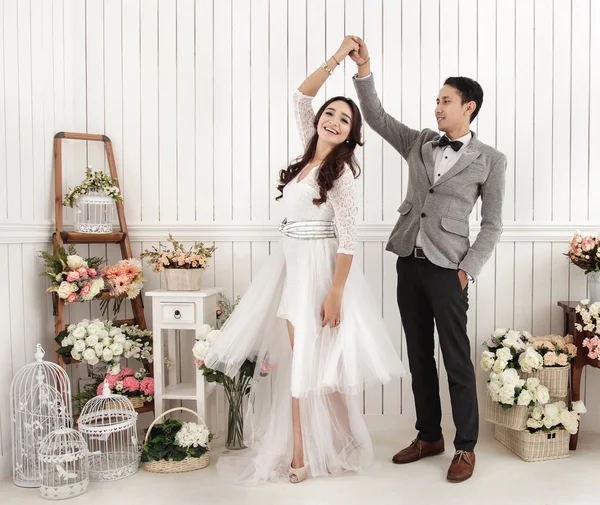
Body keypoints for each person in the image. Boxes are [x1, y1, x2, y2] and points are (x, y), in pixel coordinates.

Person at [204, 36, 405, 485]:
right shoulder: (307, 154)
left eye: (345, 119)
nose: (333, 121)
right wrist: (337, 58)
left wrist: (335, 293)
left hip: (318, 272)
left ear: (353, 134)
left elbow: (349, 240)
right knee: (305, 362)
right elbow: (300, 96)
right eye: (329, 114)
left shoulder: (342, 172)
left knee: (308, 363)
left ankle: (302, 454)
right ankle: (332, 443)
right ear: (318, 122)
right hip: (290, 265)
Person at [349, 36, 506, 483]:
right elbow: (376, 118)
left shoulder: (491, 160)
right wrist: (365, 70)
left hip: (449, 270)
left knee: (456, 358)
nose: (437, 107)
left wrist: (466, 272)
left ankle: (466, 447)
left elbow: (493, 224)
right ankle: (429, 435)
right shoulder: (419, 142)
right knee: (419, 355)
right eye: (436, 100)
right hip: (409, 260)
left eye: (446, 100)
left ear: (469, 107)